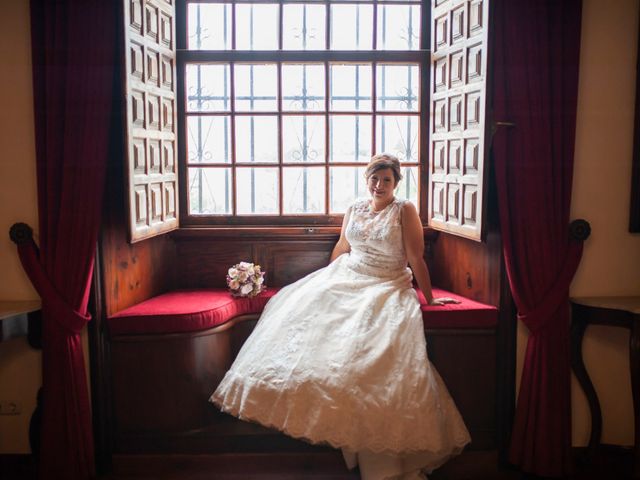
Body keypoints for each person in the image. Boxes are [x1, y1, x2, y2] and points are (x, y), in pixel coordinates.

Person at [210, 154, 471, 479]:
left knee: (368, 353)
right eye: (374, 179)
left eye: (386, 180)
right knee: (299, 313)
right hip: (349, 274)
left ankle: (371, 443)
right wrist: (327, 278)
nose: (379, 185)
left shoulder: (404, 210)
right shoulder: (355, 207)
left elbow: (416, 258)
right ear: (367, 180)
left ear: (396, 183)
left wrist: (429, 300)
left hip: (386, 283)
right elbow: (342, 247)